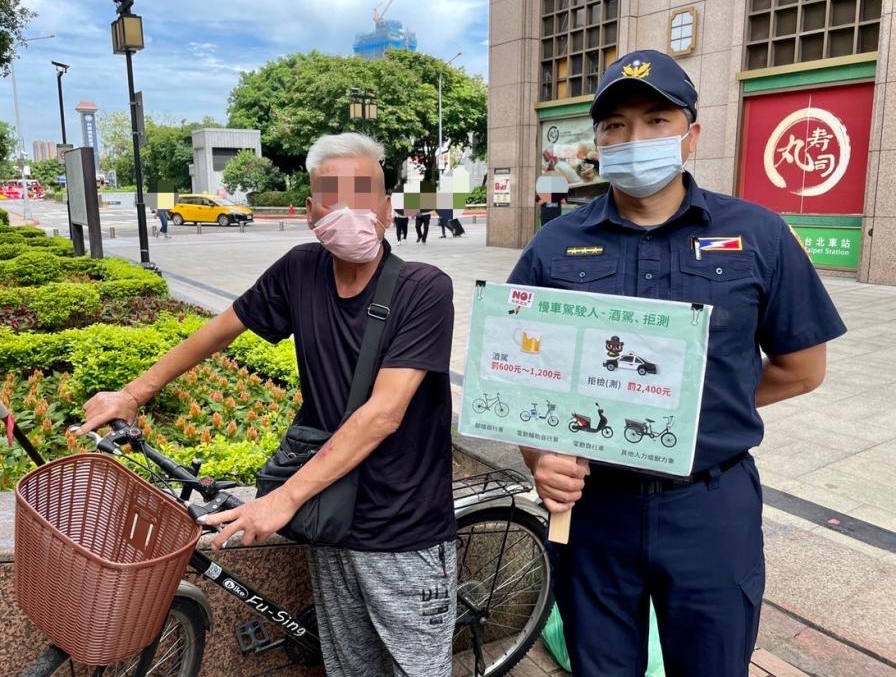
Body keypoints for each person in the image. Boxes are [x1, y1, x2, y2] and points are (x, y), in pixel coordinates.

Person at [508, 50, 846, 677]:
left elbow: (803, 368)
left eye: (656, 120)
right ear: (598, 141)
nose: (635, 138)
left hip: (711, 507)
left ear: (691, 134)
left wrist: (692, 406)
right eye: (616, 126)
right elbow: (524, 380)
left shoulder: (758, 234)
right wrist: (541, 457)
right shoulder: (554, 245)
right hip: (597, 509)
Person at [75, 132, 458, 677]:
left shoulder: (424, 288)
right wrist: (133, 393)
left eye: (364, 192)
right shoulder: (299, 270)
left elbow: (383, 414)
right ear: (309, 212)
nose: (349, 209)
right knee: (350, 667)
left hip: (403, 527)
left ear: (387, 206)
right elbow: (219, 331)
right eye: (332, 193)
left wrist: (281, 501)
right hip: (331, 516)